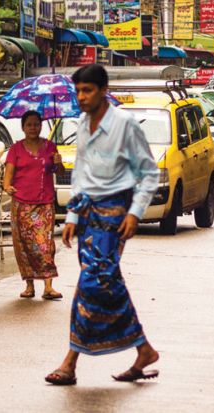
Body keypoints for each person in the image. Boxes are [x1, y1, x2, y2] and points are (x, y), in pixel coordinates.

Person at [44, 64, 160, 386]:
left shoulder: (125, 124)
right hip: (88, 216)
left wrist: (135, 212)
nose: (81, 97)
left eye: (88, 90)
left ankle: (70, 362)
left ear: (103, 90)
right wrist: (71, 216)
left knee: (95, 281)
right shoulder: (81, 124)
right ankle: (143, 349)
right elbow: (80, 172)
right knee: (99, 283)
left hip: (114, 215)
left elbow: (149, 173)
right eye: (78, 91)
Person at [3, 110, 65, 299]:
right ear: (23, 127)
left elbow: (59, 172)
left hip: (44, 203)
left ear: (41, 126)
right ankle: (29, 286)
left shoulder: (50, 147)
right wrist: (7, 187)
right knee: (24, 246)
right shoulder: (15, 150)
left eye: (36, 124)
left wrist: (58, 163)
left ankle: (48, 286)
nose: (33, 128)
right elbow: (8, 176)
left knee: (44, 244)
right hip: (22, 204)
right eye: (29, 125)